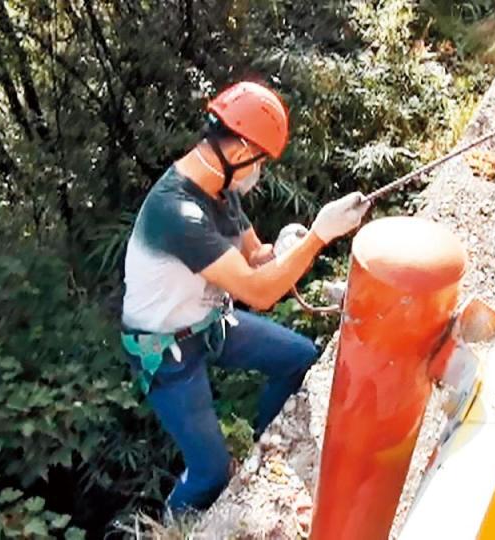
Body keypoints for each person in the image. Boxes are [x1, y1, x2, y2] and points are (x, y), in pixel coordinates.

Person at [116, 81, 370, 516]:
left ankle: (262, 449)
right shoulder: (177, 214)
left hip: (209, 323)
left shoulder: (220, 190)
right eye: (259, 162)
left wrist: (291, 244)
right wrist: (319, 237)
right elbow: (260, 291)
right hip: (166, 351)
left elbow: (256, 258)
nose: (259, 173)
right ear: (237, 153)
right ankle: (172, 526)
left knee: (298, 357)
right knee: (210, 472)